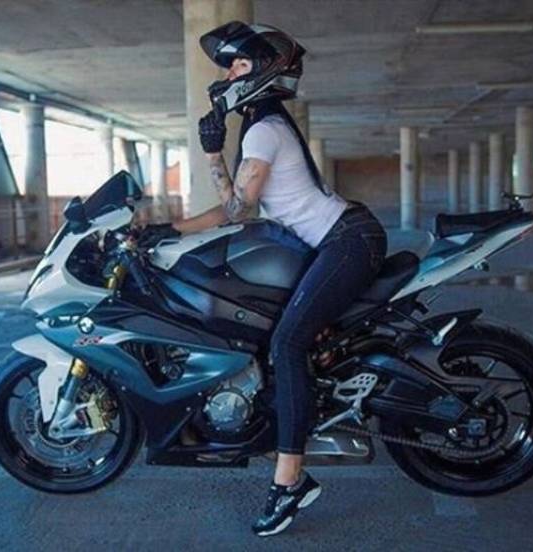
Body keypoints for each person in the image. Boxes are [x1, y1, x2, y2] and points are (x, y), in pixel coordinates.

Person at [175, 21, 387, 536]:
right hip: (340, 239)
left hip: (347, 242)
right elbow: (236, 209)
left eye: (238, 64)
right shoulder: (263, 123)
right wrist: (169, 229)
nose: (228, 74)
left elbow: (238, 209)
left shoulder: (263, 129)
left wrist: (211, 154)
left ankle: (290, 483)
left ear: (262, 71)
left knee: (287, 343)